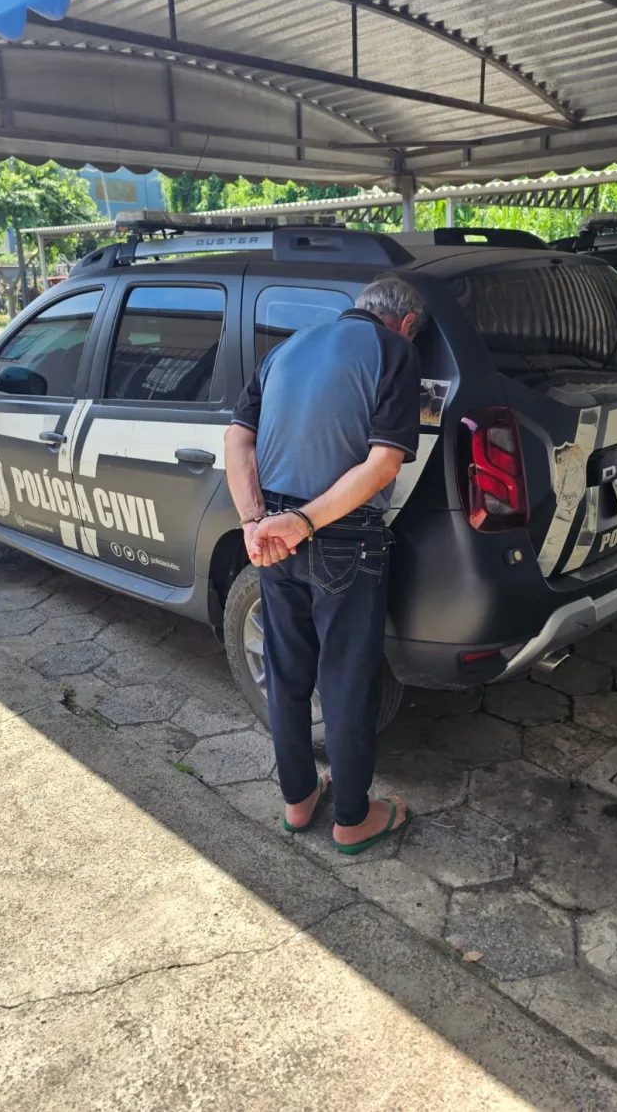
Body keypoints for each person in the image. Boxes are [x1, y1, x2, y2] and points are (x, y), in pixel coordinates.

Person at [225, 273, 427, 854]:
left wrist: (255, 521)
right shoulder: (395, 351)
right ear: (406, 323)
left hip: (273, 535)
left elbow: (237, 440)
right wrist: (307, 521)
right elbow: (384, 463)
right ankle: (353, 820)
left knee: (286, 675)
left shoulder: (287, 347)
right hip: (341, 537)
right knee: (346, 682)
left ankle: (298, 800)